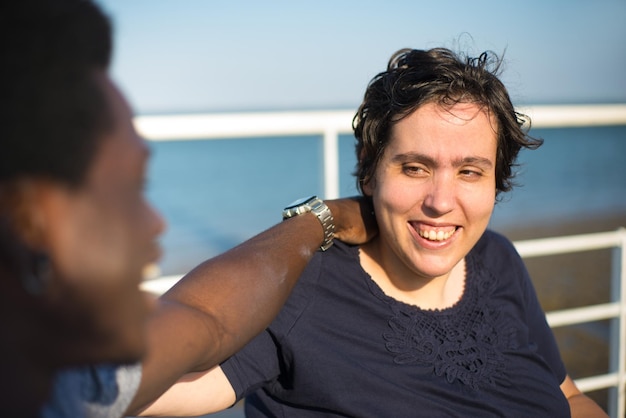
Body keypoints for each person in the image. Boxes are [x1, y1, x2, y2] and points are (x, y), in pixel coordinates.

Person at [136, 48, 608, 417]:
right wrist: (318, 219)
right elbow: (124, 386)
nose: (442, 202)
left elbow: (566, 396)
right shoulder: (305, 292)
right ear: (369, 172)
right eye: (414, 168)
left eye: (470, 172)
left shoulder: (497, 260)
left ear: (496, 182)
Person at [0, 1, 374, 417]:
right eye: (132, 189)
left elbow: (209, 320)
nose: (156, 224)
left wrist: (326, 219)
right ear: (28, 220)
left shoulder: (70, 378)